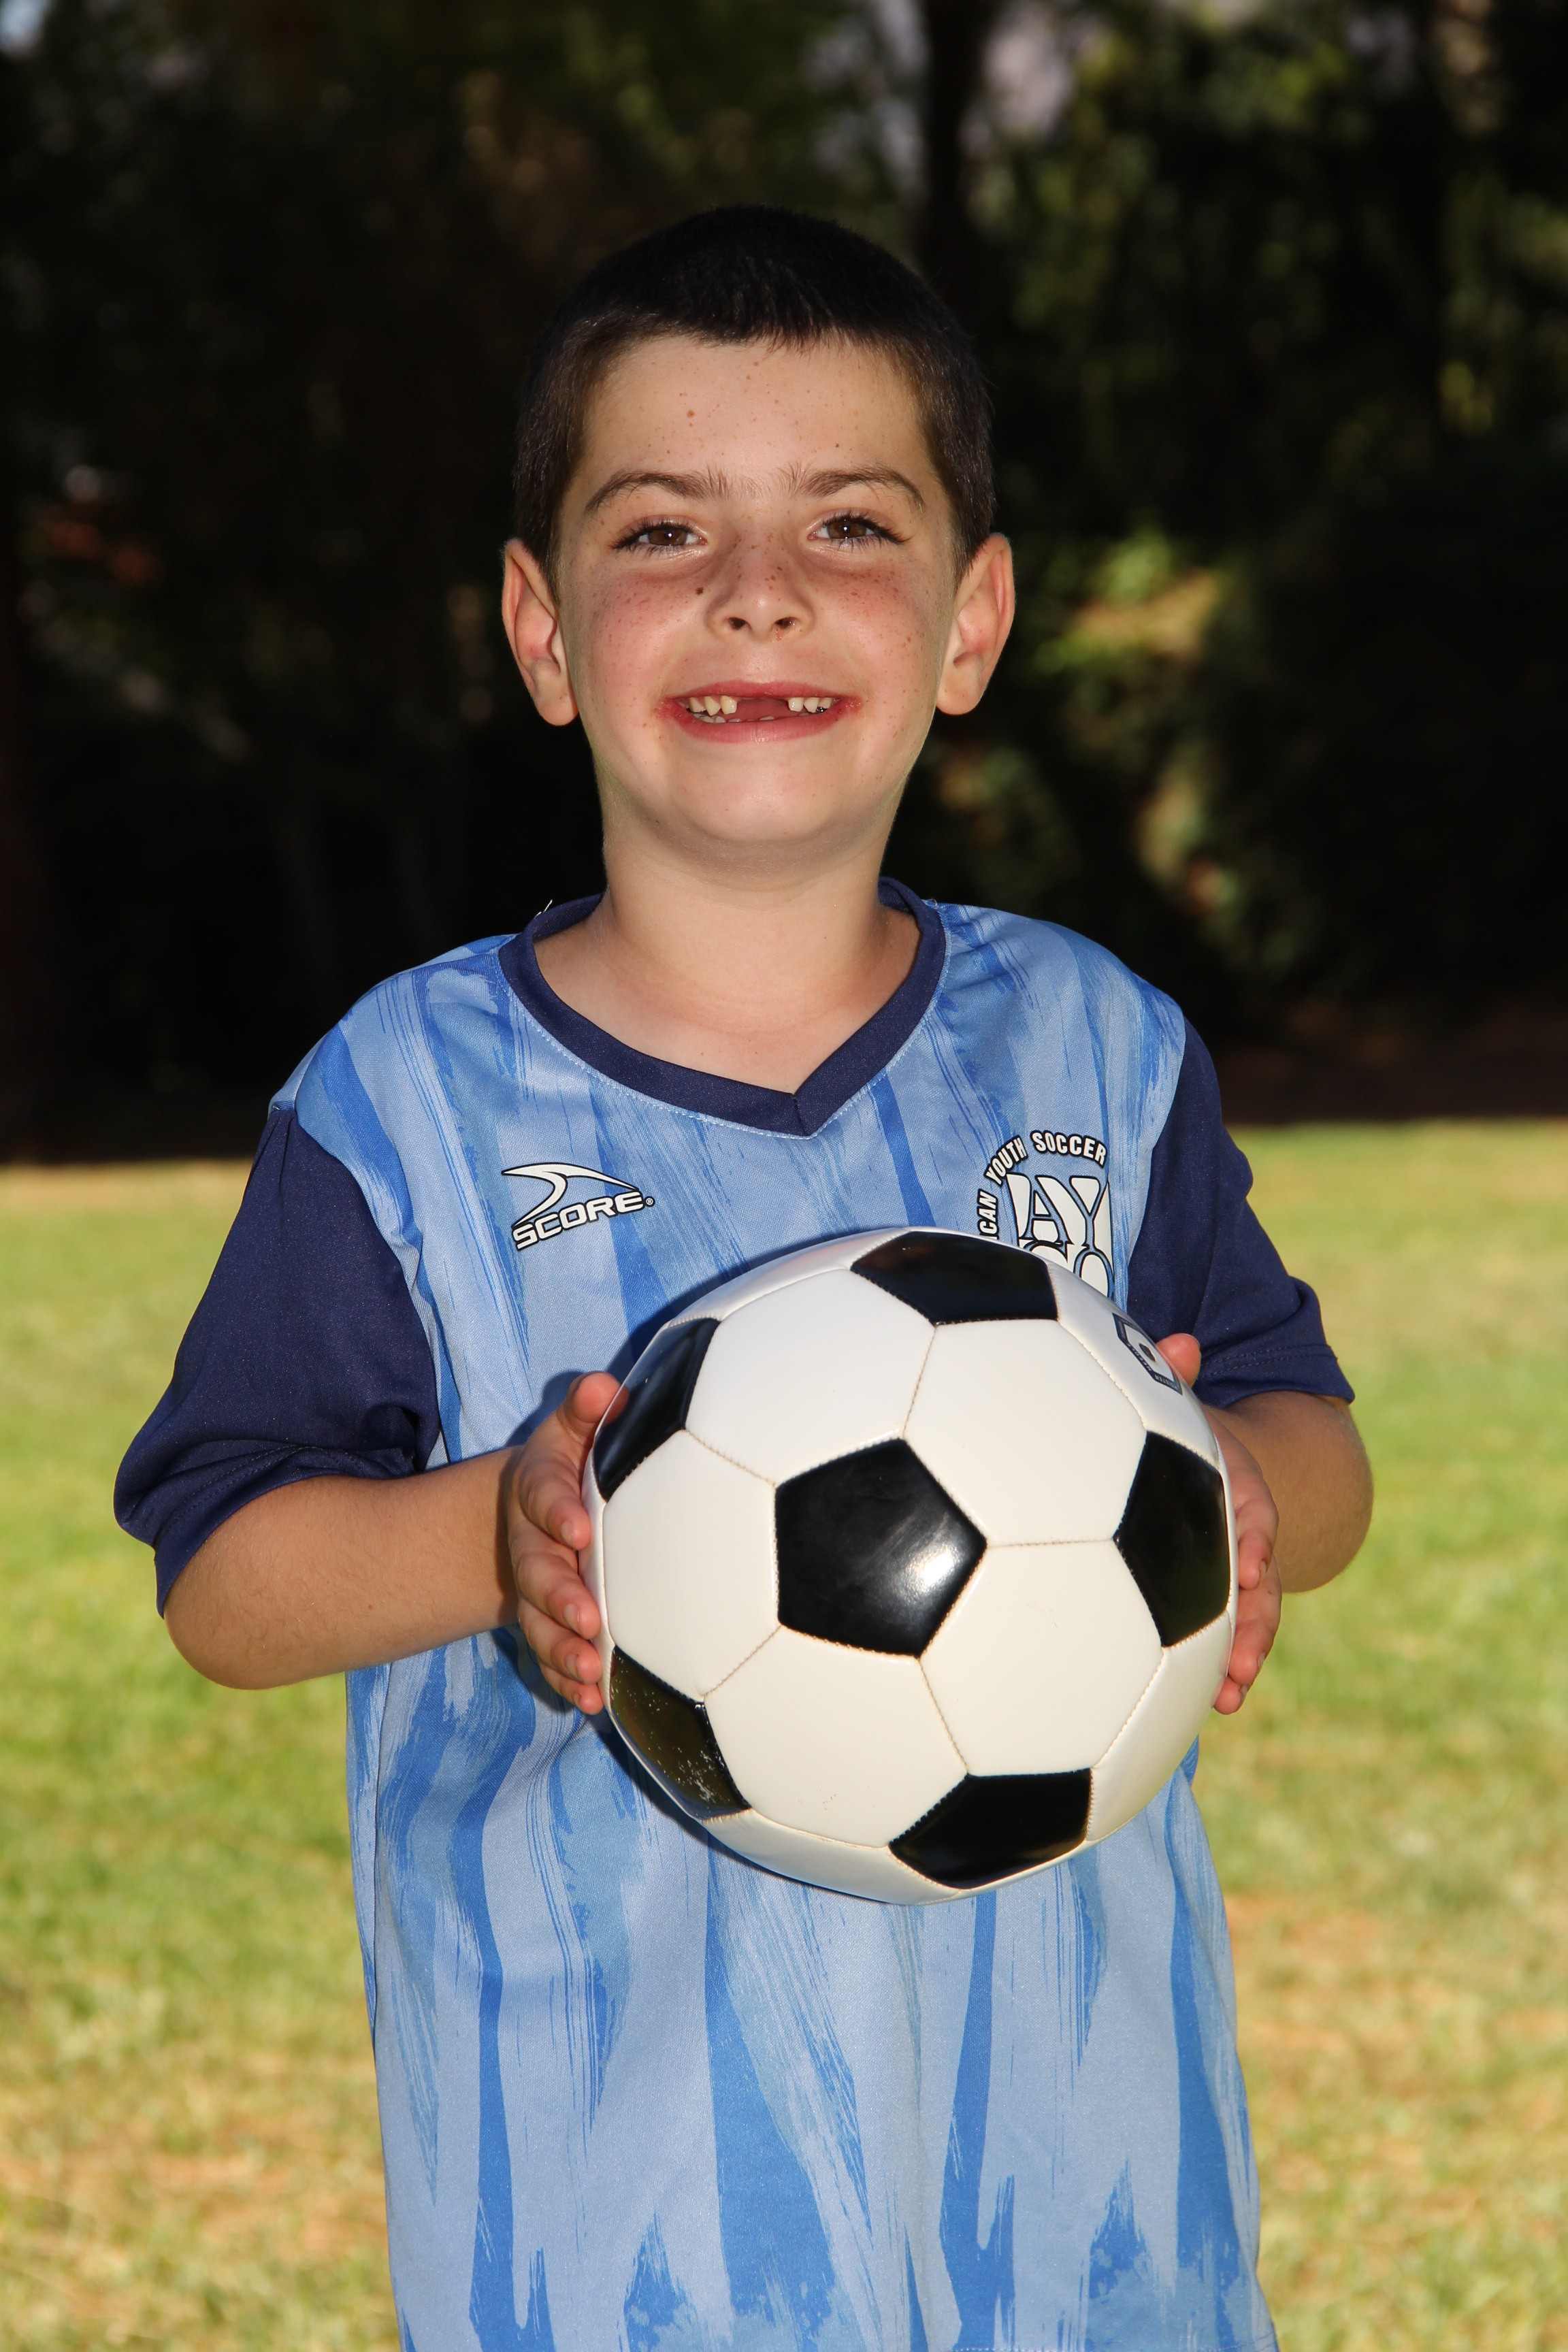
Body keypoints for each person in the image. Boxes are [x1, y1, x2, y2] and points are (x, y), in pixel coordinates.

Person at [116, 206, 1372, 2352]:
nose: (757, 589)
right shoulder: (402, 1106)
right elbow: (224, 1578)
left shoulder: (1097, 1048)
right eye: (662, 530)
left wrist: (1239, 1493)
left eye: (851, 524)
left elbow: (1309, 1440)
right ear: (541, 632)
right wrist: (498, 1532)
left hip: (1091, 2236)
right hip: (617, 2238)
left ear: (975, 621)